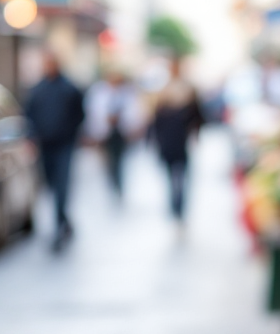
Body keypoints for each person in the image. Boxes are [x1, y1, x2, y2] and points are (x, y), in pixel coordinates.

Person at [24, 51, 85, 249]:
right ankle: (64, 221)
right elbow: (29, 115)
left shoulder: (69, 88)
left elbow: (79, 115)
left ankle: (59, 226)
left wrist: (71, 134)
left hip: (64, 145)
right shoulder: (37, 89)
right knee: (50, 184)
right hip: (45, 145)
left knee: (61, 185)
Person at [151, 57, 204, 223]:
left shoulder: (187, 89)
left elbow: (197, 116)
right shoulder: (163, 90)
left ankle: (179, 205)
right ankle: (175, 205)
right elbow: (156, 120)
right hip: (168, 141)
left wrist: (195, 134)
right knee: (171, 176)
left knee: (180, 176)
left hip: (181, 140)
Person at [85, 68, 144, 197]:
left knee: (119, 161)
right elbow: (93, 113)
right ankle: (112, 184)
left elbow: (135, 113)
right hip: (104, 134)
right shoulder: (99, 92)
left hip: (121, 134)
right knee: (108, 162)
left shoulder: (128, 92)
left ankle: (118, 185)